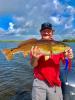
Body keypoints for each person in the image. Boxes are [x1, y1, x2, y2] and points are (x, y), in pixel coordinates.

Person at [30, 22, 73, 100]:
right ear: (40, 32)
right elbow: (33, 65)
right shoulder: (35, 45)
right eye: (44, 30)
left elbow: (66, 64)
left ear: (52, 33)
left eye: (49, 31)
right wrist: (35, 58)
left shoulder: (59, 46)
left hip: (55, 83)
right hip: (39, 82)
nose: (46, 32)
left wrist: (68, 58)